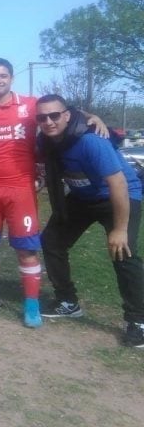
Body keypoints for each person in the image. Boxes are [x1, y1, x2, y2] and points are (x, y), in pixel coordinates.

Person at [0, 58, 106, 328]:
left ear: (11, 78)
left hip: (20, 189)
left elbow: (62, 112)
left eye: (3, 75)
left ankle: (31, 305)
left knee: (26, 250)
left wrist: (91, 116)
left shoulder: (29, 105)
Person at [36, 94, 144, 348]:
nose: (49, 121)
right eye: (42, 117)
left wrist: (119, 229)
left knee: (123, 252)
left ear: (66, 115)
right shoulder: (48, 141)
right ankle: (67, 301)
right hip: (83, 198)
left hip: (119, 196)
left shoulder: (90, 141)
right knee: (51, 240)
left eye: (54, 115)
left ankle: (138, 321)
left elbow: (117, 183)